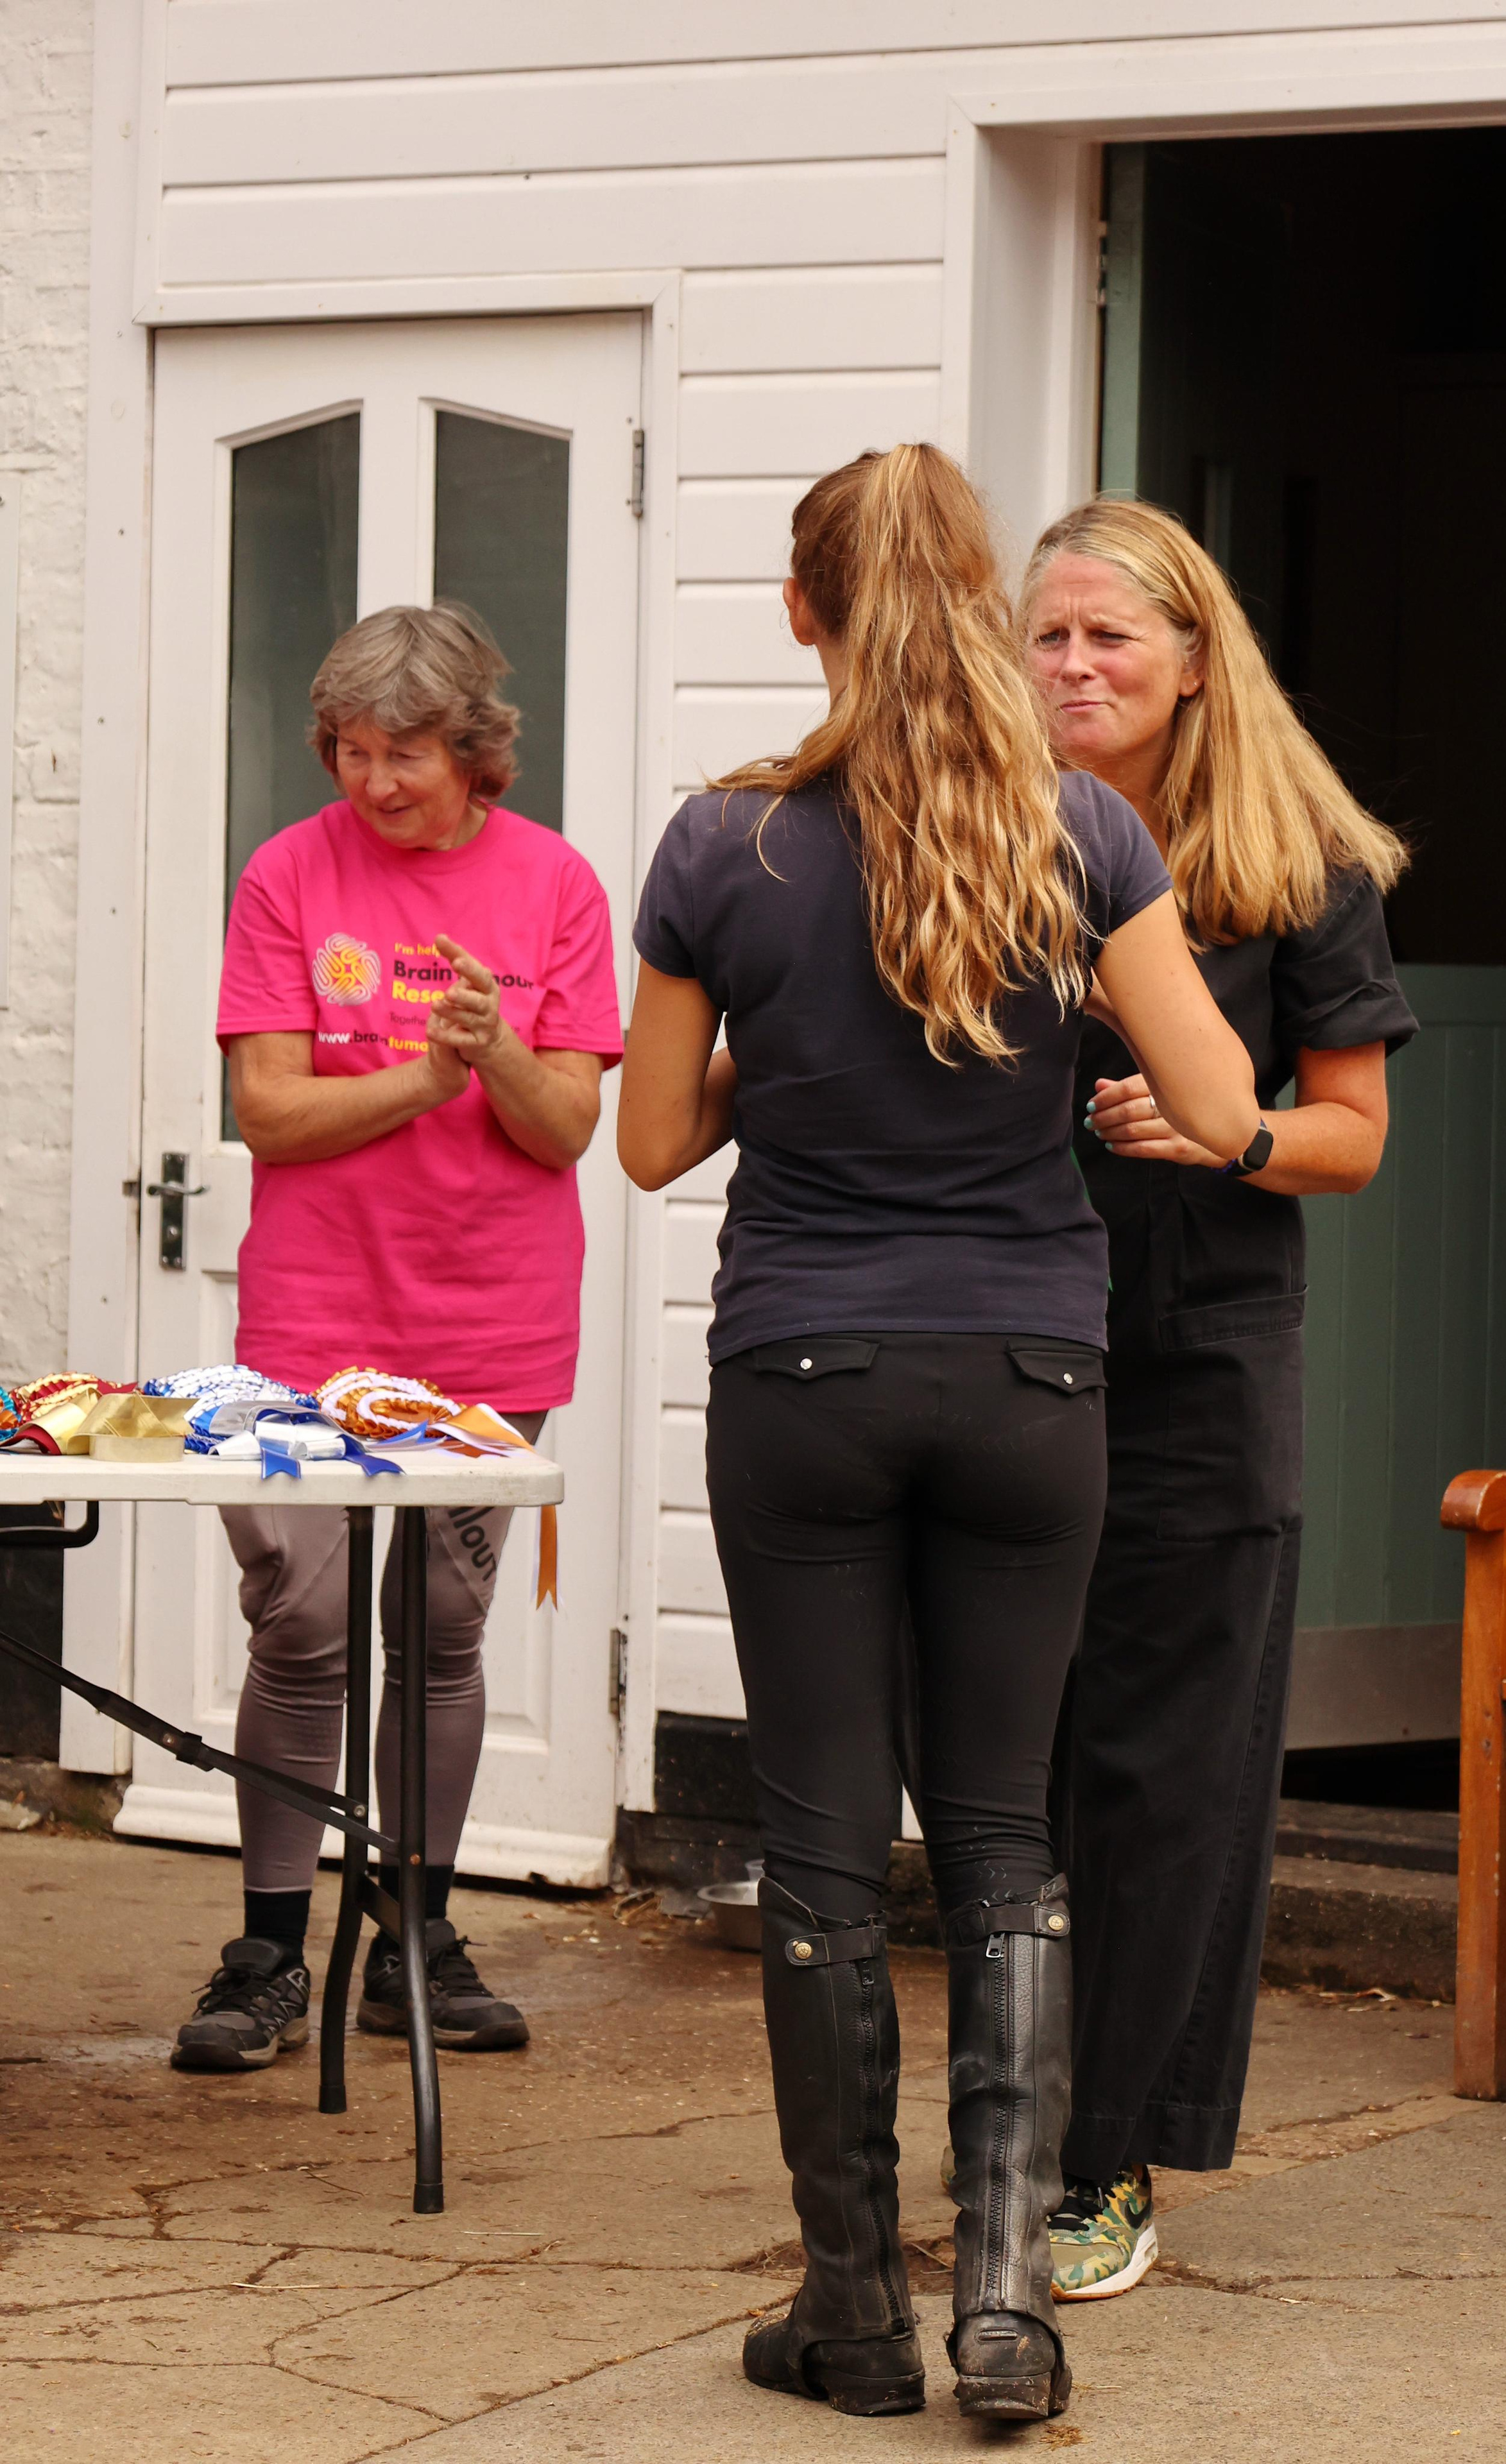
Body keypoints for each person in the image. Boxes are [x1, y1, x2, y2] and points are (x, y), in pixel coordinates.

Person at [618, 446, 1262, 2422]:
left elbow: (648, 1143)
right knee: (1003, 1836)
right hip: (1032, 1381)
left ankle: (846, 2312)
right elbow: (1231, 1107)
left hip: (804, 1378)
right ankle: (1006, 2302)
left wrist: (776, 1056)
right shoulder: (1078, 828)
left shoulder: (726, 847)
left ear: (807, 612)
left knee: (822, 1846)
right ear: (984, 602)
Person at [1018, 497, 1417, 2298]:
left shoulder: (1298, 858)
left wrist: (1226, 1131)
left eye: (1114, 637)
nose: (1078, 665)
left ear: (1193, 660)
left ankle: (1110, 2164)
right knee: (1006, 1763)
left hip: (1198, 1361)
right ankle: (1003, 2119)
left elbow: (1354, 1138)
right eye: (1049, 636)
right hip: (1002, 1350)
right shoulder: (984, 841)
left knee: (1162, 1777)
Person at [173, 603, 623, 2073]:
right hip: (310, 1318)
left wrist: (494, 1053)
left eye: (408, 754)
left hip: (487, 1320)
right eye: (355, 751)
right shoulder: (287, 875)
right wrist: (427, 1079)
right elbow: (272, 1115)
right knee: (299, 1625)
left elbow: (569, 1130)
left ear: (475, 749)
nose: (376, 783)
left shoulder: (553, 884)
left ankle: (414, 1929)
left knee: (437, 1632)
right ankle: (265, 1950)